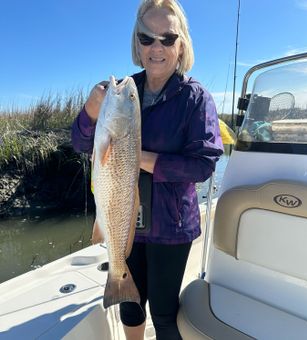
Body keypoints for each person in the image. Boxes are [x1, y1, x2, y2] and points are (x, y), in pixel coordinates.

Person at [71, 0, 223, 339]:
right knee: (130, 304)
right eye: (147, 38)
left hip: (172, 226)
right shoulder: (122, 91)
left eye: (167, 38)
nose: (156, 47)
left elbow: (203, 164)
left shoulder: (195, 98)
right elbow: (82, 144)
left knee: (164, 312)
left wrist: (135, 156)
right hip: (125, 218)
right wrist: (90, 112)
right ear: (136, 43)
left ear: (181, 44)